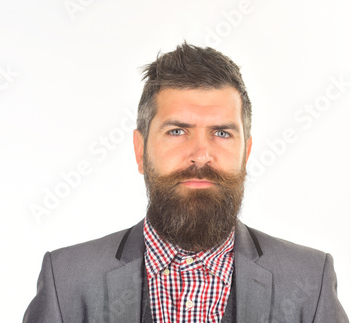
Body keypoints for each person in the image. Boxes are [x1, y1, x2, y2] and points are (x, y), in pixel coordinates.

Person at [23, 42, 349, 323]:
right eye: (177, 131)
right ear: (141, 151)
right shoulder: (66, 280)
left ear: (246, 153)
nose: (201, 155)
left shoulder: (309, 280)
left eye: (221, 133)